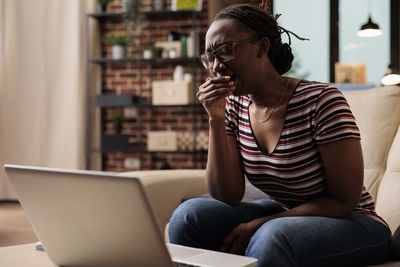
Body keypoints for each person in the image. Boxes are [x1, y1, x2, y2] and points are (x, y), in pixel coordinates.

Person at [168, 2, 393, 266]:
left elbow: (343, 200)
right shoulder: (234, 106)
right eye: (210, 57)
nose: (217, 67)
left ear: (261, 48)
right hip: (287, 212)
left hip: (354, 221)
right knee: (189, 216)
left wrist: (260, 223)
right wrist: (215, 119)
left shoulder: (321, 100)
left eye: (226, 51)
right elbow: (226, 194)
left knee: (272, 236)